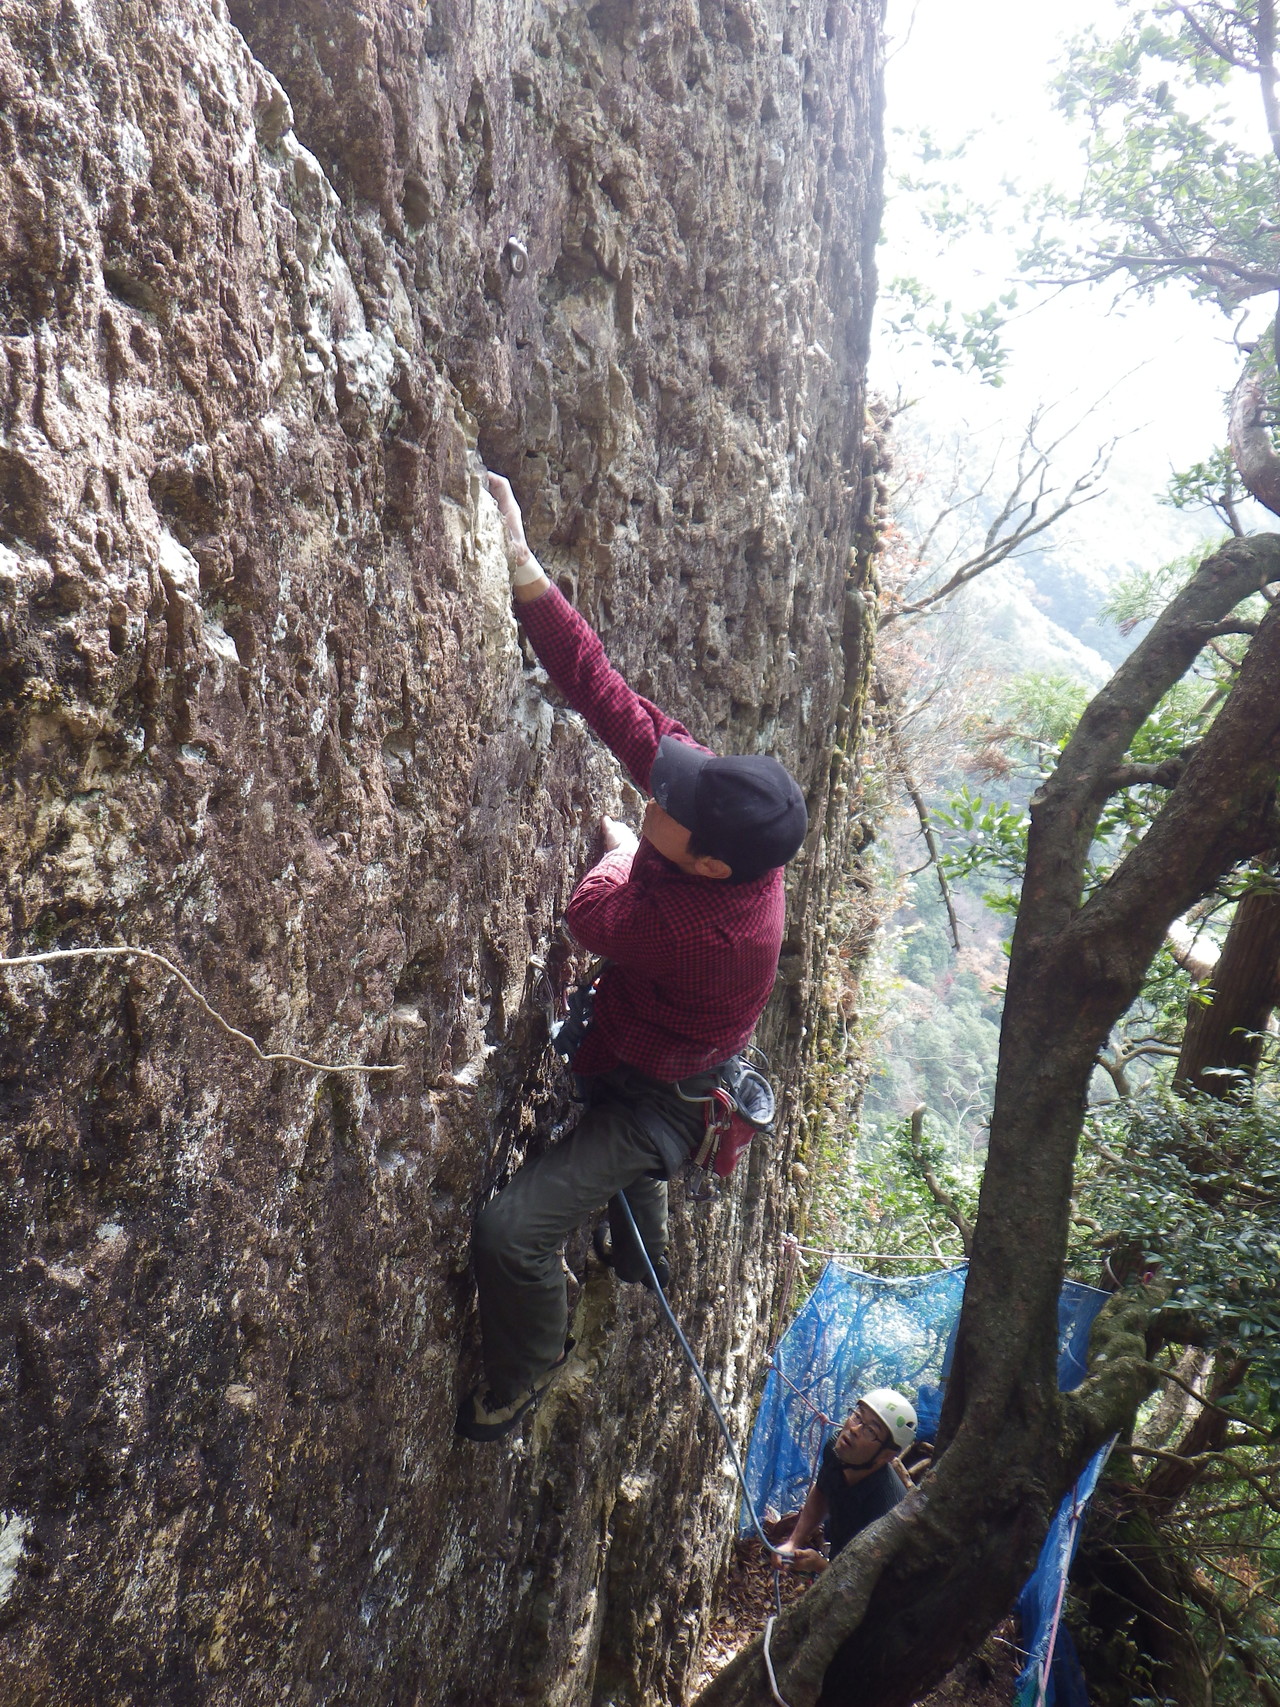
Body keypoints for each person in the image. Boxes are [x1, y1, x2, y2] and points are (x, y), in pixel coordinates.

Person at [455, 472, 808, 1442]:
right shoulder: (711, 817)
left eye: (667, 806)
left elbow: (588, 914)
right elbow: (608, 698)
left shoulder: (708, 930)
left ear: (701, 856)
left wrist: (618, 852)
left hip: (659, 1096)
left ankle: (525, 1369)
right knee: (623, 1141)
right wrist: (524, 572)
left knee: (509, 1235)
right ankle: (629, 1249)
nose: (656, 786)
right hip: (659, 1054)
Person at [774, 1389, 918, 1573]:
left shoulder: (887, 1509)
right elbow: (821, 1492)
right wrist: (793, 1542)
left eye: (870, 1430)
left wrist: (820, 1566)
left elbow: (870, 1583)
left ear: (887, 1455)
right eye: (857, 1416)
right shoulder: (836, 1449)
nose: (854, 1429)